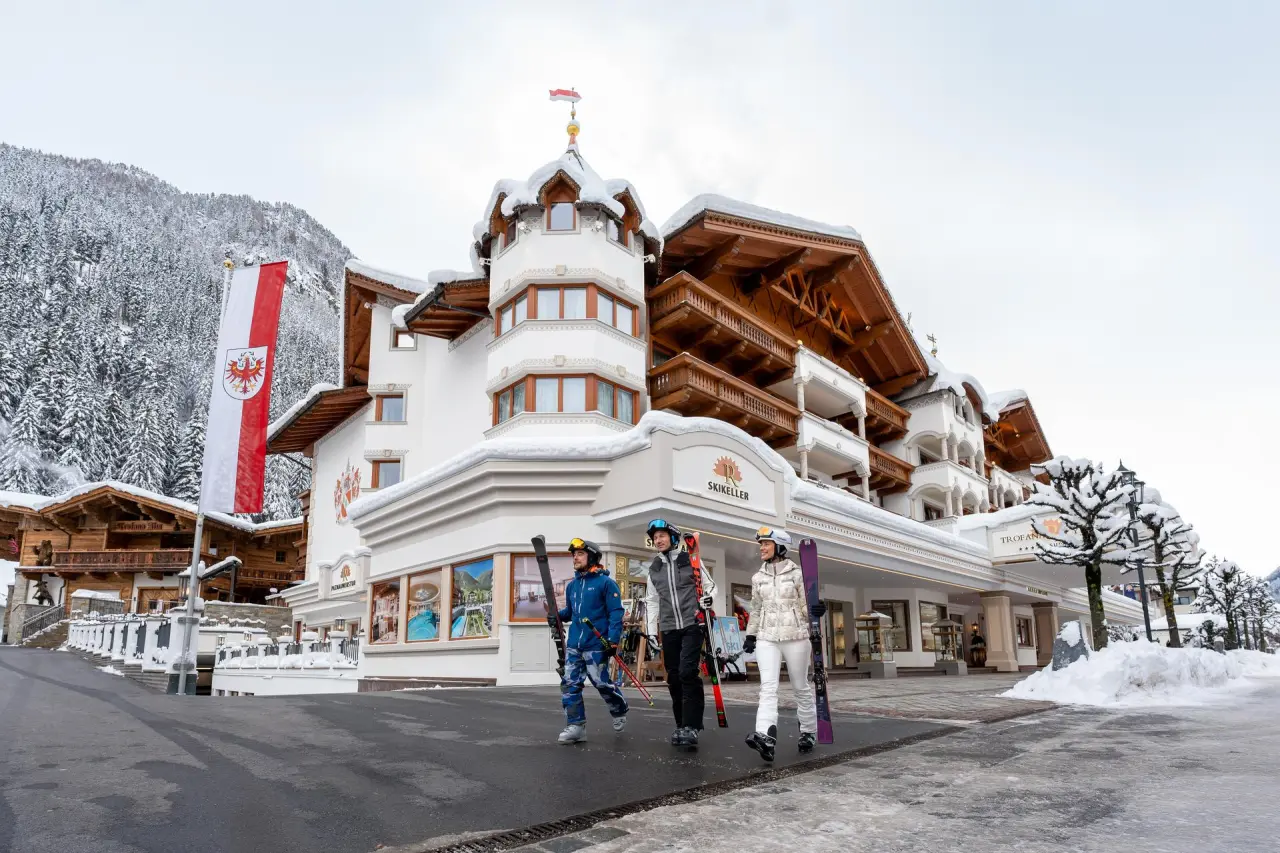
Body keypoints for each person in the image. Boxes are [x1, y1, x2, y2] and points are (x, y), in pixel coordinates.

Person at [741, 526, 821, 761]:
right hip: (767, 638)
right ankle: (765, 735)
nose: (762, 548)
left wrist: (817, 610)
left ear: (780, 546)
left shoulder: (797, 575)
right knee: (767, 688)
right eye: (761, 544)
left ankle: (808, 731)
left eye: (766, 543)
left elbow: (806, 608)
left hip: (796, 637)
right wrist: (751, 635)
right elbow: (756, 609)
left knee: (800, 687)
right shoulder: (758, 577)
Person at [642, 519, 715, 748]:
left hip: (693, 624)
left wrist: (707, 600)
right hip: (669, 627)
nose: (658, 540)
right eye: (655, 538)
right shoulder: (654, 568)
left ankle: (692, 726)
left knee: (686, 672)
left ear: (673, 538)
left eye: (662, 535)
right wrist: (652, 632)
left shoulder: (689, 560)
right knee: (673, 677)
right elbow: (652, 601)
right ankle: (681, 724)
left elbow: (710, 586)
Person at [555, 537, 629, 744]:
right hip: (574, 645)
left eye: (579, 554)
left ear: (592, 557)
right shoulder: (572, 586)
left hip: (597, 644)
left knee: (601, 683)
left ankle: (619, 708)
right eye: (574, 555)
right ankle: (576, 726)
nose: (575, 558)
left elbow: (616, 613)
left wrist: (613, 641)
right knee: (570, 684)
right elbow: (571, 612)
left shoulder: (606, 583)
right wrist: (557, 615)